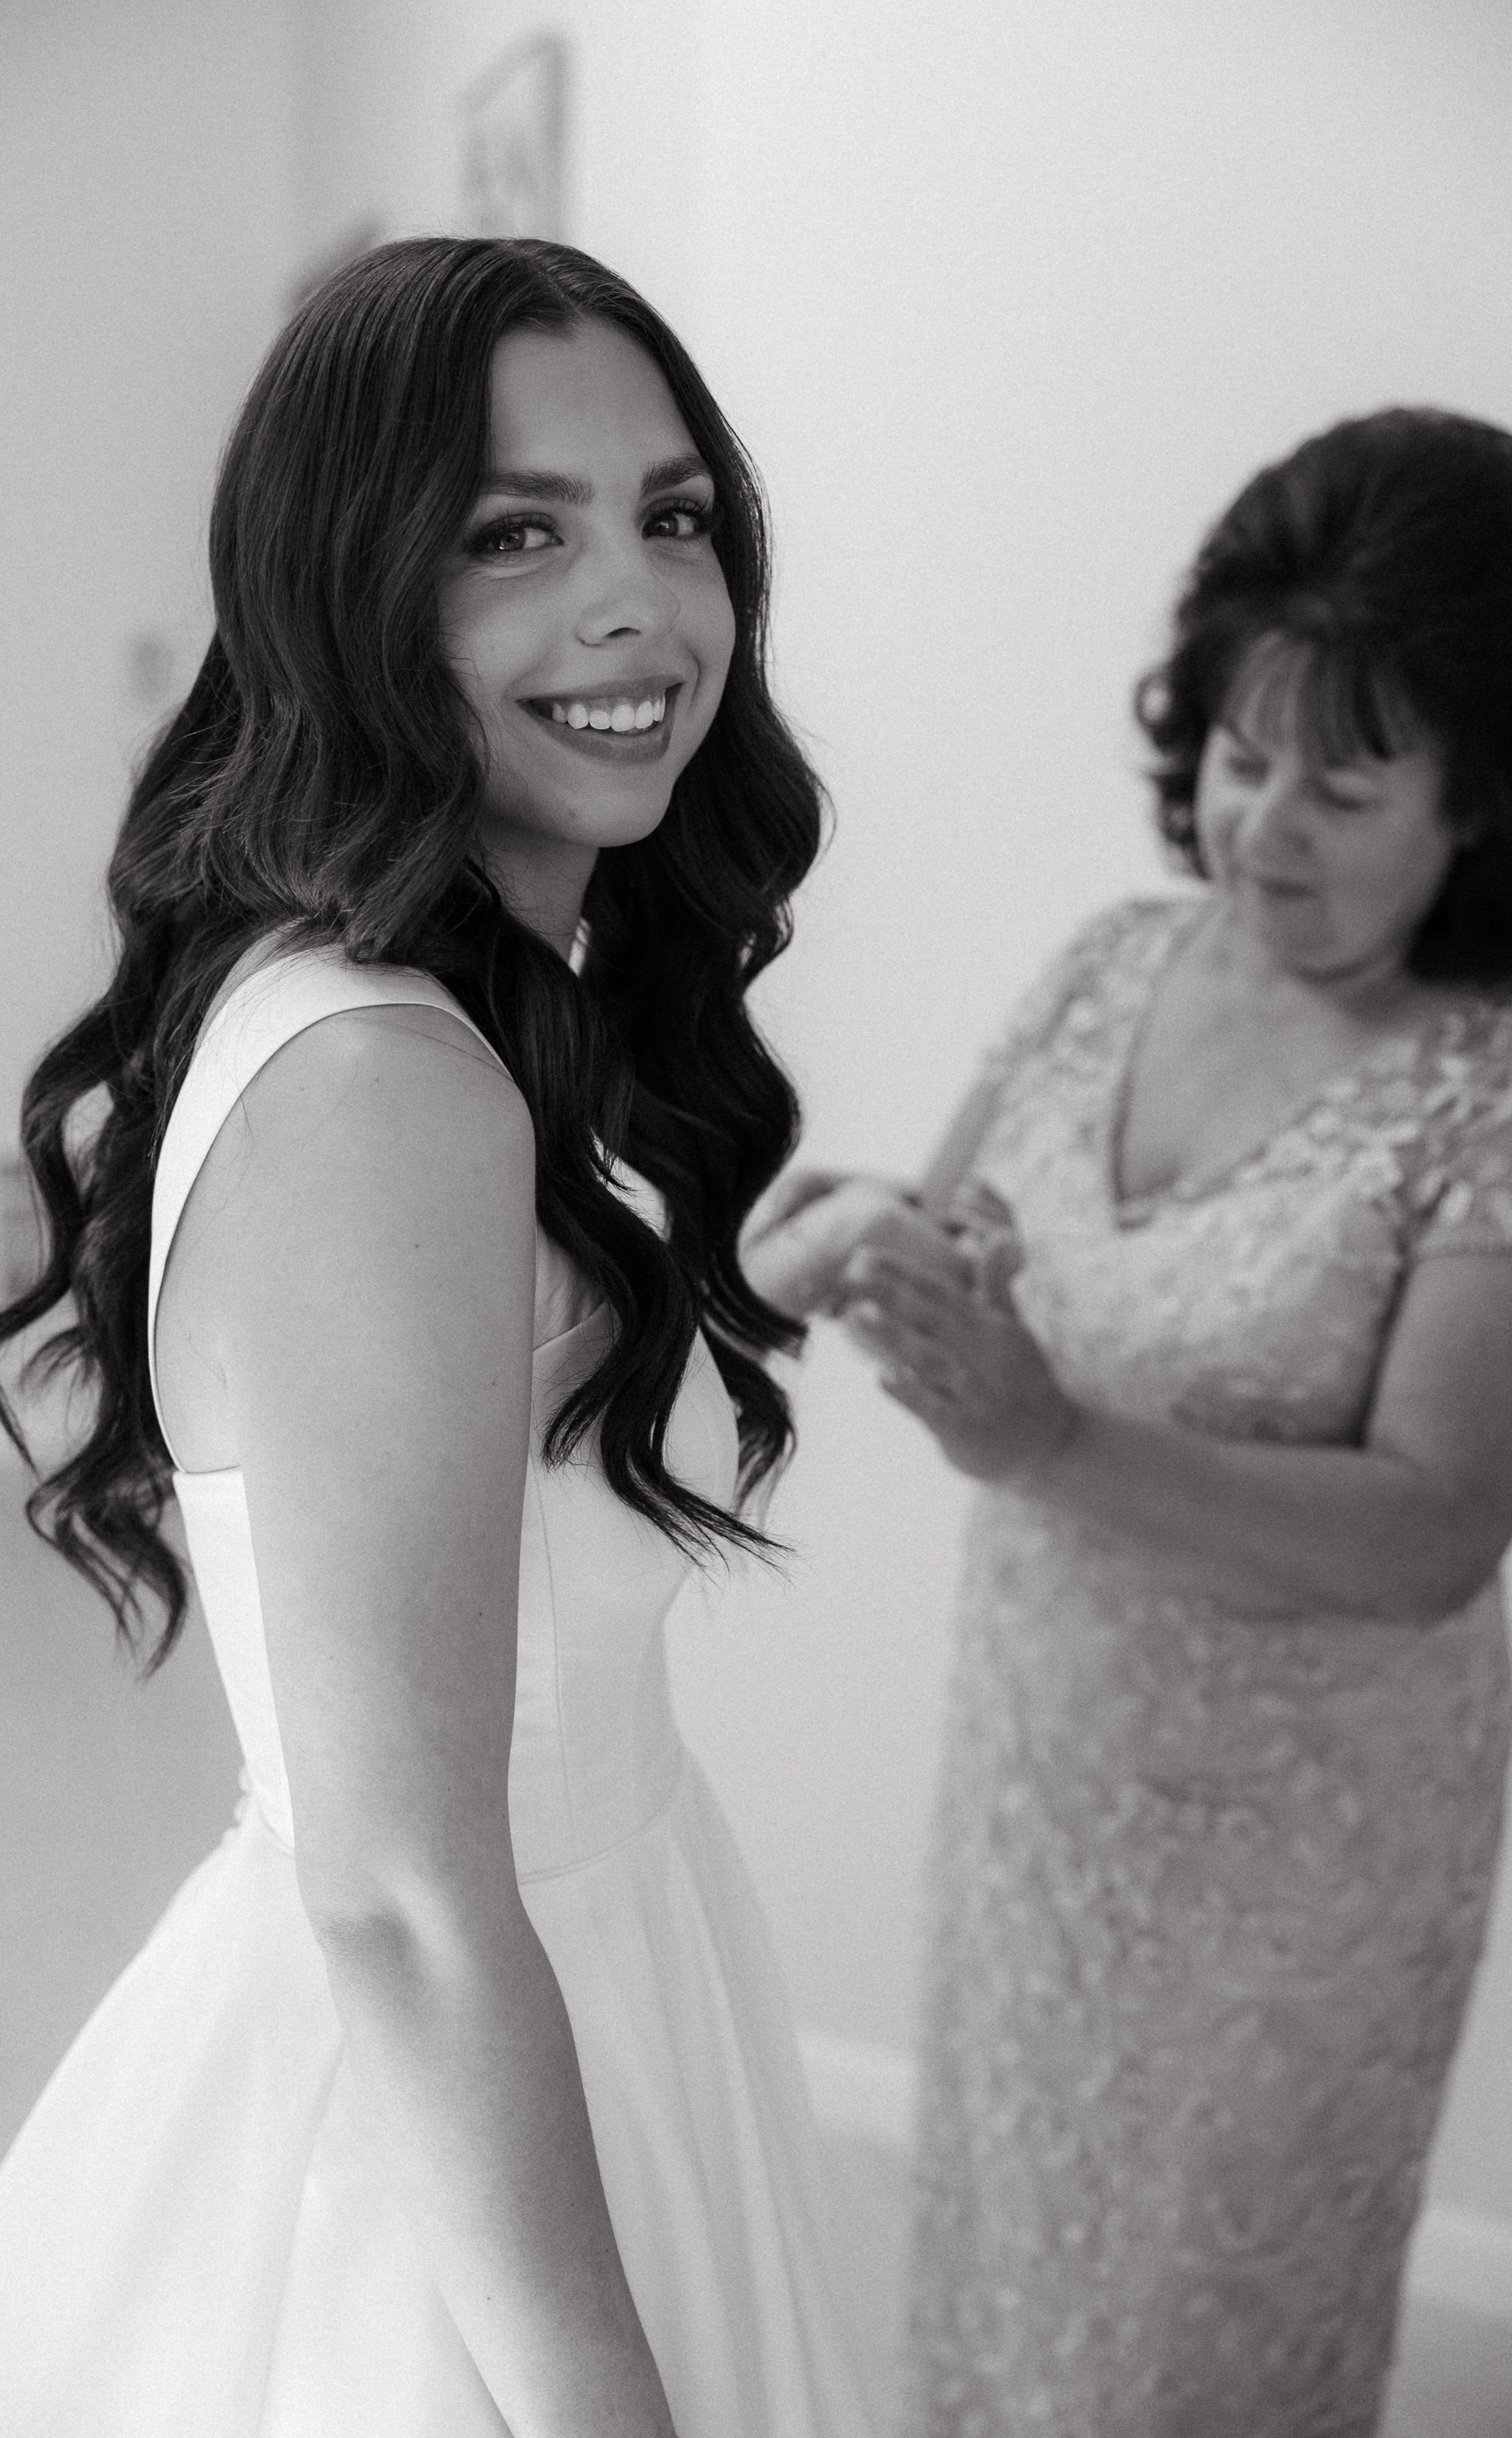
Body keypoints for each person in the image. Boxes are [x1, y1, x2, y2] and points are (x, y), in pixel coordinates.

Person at [0, 236, 873, 2438]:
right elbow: (410, 1896)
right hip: (454, 2045)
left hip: (600, 1959)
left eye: (674, 514)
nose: (640, 607)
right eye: (519, 534)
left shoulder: (471, 1005)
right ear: (357, 593)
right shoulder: (387, 1082)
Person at [747, 407, 1512, 2436]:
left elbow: (1440, 1529)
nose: (1265, 828)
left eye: (1345, 785)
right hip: (1044, 1776)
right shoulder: (1108, 967)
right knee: (1008, 2278)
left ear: (1485, 809)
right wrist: (832, 1246)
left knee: (1195, 2349)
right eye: (1243, 757)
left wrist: (1046, 1442)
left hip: (1312, 1864)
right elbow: (960, 1234)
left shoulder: (1484, 1086)